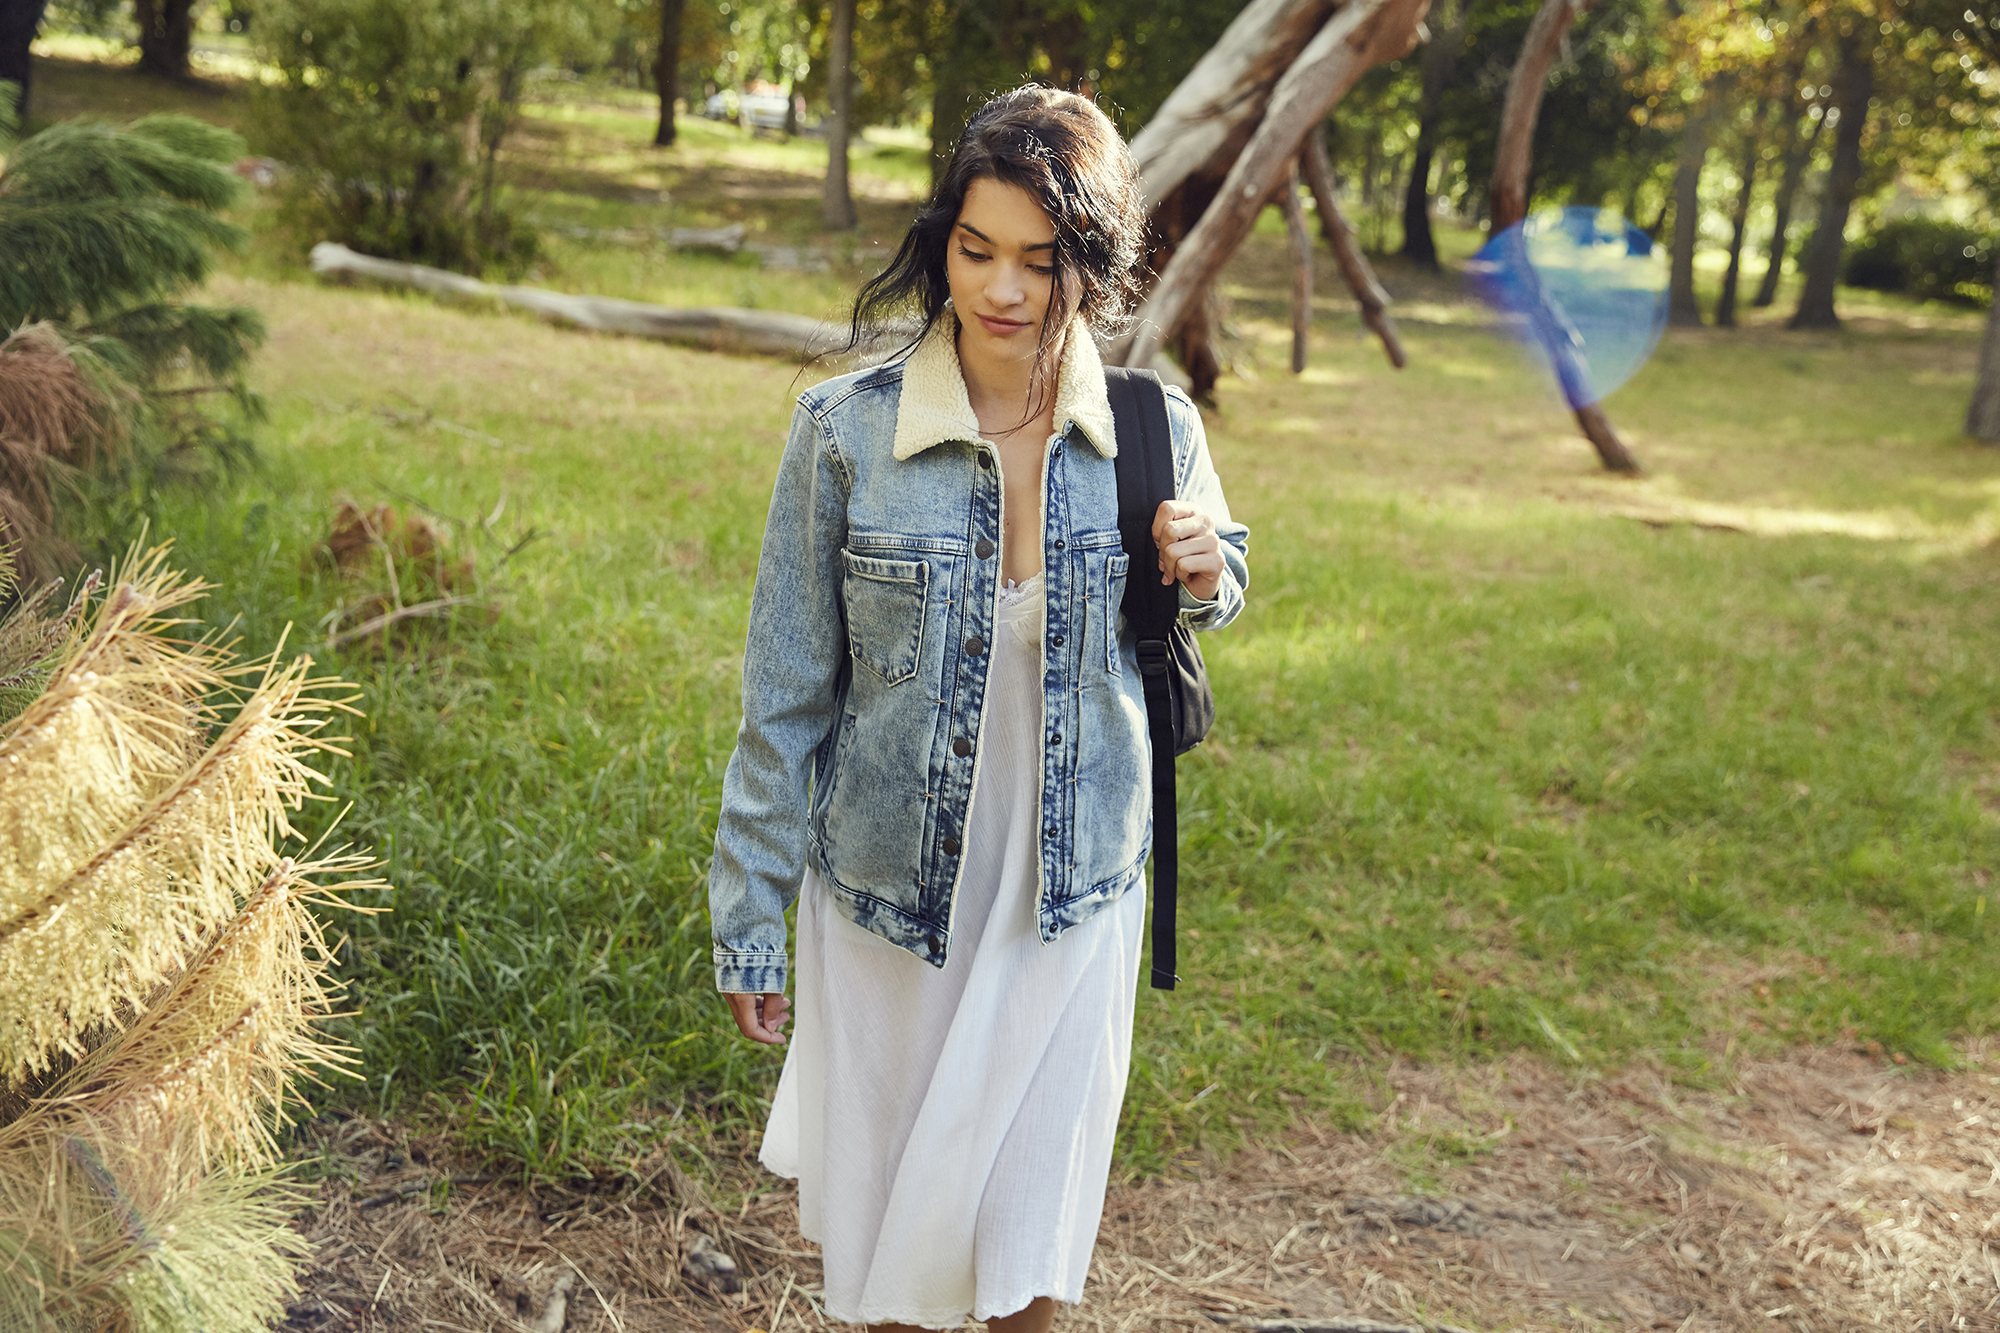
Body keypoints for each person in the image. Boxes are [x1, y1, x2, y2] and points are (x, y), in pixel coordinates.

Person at [708, 85, 1250, 1332]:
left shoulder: (1149, 429)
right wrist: (748, 908)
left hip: (1072, 900)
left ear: (1095, 267)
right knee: (903, 1261)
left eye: (1039, 261)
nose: (1001, 290)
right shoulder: (844, 433)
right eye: (975, 250)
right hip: (894, 908)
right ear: (941, 240)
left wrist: (1207, 567)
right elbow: (786, 694)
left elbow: (1215, 582)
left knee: (1030, 1257)